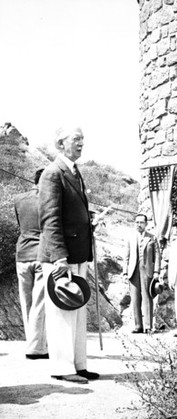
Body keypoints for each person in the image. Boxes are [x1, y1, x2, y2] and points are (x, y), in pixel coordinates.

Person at [38, 125, 98, 384]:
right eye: (76, 139)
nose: (81, 143)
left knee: (77, 308)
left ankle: (78, 364)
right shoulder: (53, 174)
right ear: (60, 144)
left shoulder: (74, 172)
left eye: (82, 139)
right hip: (61, 256)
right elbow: (50, 220)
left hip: (78, 253)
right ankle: (63, 367)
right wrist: (59, 257)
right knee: (63, 310)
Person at [14, 167, 48, 359]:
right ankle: (36, 348)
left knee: (27, 301)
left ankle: (32, 343)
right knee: (40, 302)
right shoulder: (49, 200)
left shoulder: (19, 199)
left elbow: (21, 225)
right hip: (41, 254)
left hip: (22, 252)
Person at [123, 213, 161, 334]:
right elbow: (126, 256)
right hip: (133, 271)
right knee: (135, 299)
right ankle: (138, 325)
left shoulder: (152, 238)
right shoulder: (130, 237)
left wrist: (156, 272)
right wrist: (125, 272)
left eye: (141, 222)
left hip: (147, 271)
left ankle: (148, 326)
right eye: (137, 222)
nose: (139, 225)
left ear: (146, 224)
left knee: (147, 298)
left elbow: (158, 256)